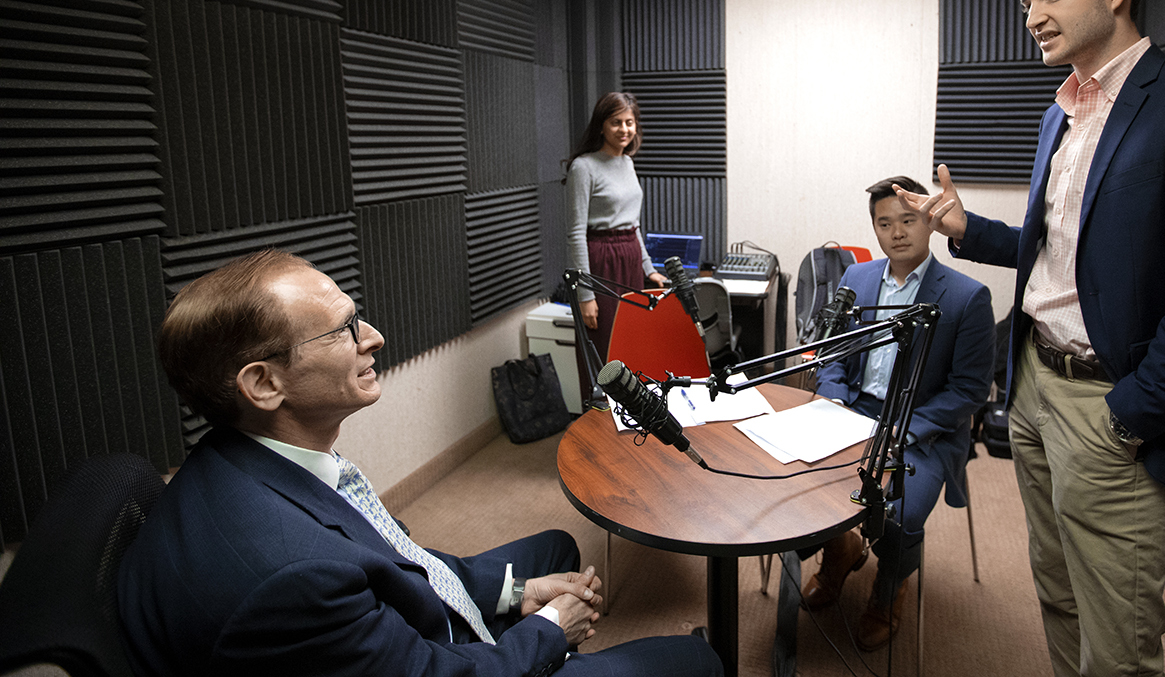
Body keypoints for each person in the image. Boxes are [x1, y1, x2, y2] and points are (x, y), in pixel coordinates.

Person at [898, 0, 1165, 677]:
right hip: (1033, 388)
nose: (1032, 14)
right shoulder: (1058, 113)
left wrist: (1130, 415)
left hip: (1110, 405)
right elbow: (1060, 251)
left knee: (1119, 636)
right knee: (1059, 593)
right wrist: (969, 228)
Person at [118, 249, 721, 677]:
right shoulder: (290, 580)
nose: (374, 337)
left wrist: (520, 593)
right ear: (264, 384)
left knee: (557, 549)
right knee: (695, 660)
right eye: (343, 330)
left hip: (390, 625)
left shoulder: (244, 459)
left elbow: (400, 558)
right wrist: (547, 629)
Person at [804, 176, 995, 650]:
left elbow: (969, 391)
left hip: (921, 426)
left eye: (908, 220)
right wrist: (833, 398)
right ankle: (840, 551)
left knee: (901, 513)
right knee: (795, 483)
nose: (897, 232)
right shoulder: (857, 279)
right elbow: (833, 356)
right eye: (884, 223)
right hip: (853, 414)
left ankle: (889, 589)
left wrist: (903, 429)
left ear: (929, 220)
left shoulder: (967, 296)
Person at [564, 92, 666, 362]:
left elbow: (633, 224)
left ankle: (632, 406)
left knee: (632, 346)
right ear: (601, 125)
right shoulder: (583, 167)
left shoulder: (627, 162)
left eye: (629, 122)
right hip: (601, 261)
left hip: (629, 258)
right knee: (604, 347)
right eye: (616, 122)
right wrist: (585, 295)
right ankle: (601, 406)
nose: (624, 129)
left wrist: (649, 269)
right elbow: (576, 233)